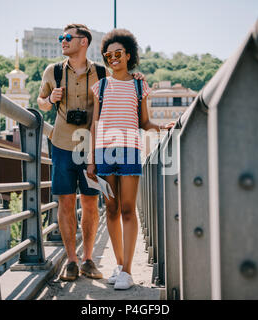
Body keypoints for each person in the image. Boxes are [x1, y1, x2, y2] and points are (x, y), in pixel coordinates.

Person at [37, 24, 145, 282]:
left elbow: (121, 82)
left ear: (83, 42)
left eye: (67, 38)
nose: (62, 41)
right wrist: (51, 98)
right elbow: (40, 104)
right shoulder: (53, 71)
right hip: (62, 145)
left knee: (90, 203)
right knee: (64, 202)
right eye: (61, 38)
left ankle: (88, 260)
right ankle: (72, 261)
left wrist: (138, 78)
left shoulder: (100, 71)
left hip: (92, 147)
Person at [88, 29, 174, 290]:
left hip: (130, 151)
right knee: (111, 210)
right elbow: (95, 125)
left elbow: (144, 121)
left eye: (118, 53)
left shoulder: (139, 85)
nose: (113, 58)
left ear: (128, 55)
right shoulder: (100, 86)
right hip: (103, 152)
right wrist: (91, 160)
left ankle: (126, 271)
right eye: (108, 54)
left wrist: (161, 128)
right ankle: (120, 265)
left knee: (127, 209)